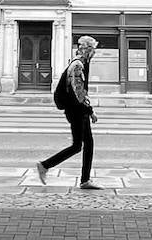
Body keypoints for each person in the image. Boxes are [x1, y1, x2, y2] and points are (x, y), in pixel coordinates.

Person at [35, 36, 102, 190]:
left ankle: (84, 179)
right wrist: (89, 111)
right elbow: (78, 92)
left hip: (77, 110)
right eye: (93, 50)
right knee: (79, 145)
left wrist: (89, 110)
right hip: (76, 111)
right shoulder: (78, 65)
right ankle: (45, 165)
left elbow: (81, 91)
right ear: (86, 49)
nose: (94, 53)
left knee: (85, 144)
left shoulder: (81, 63)